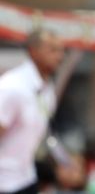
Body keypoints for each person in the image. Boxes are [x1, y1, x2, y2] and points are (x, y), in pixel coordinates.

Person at [0, 29, 64, 193]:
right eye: (52, 50)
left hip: (26, 178)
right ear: (33, 51)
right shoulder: (12, 86)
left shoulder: (47, 89)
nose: (59, 56)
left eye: (61, 50)